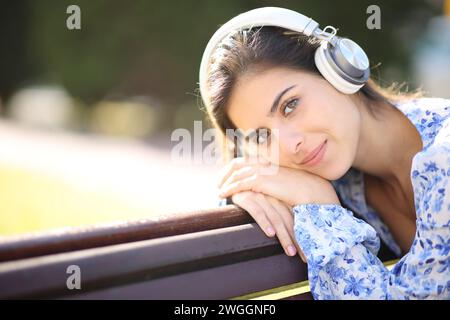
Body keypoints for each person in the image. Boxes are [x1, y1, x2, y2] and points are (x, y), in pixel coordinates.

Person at [198, 7, 450, 299]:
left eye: (290, 105)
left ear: (339, 71)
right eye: (262, 136)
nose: (289, 145)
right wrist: (247, 188)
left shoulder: (443, 156)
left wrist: (318, 204)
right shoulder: (345, 182)